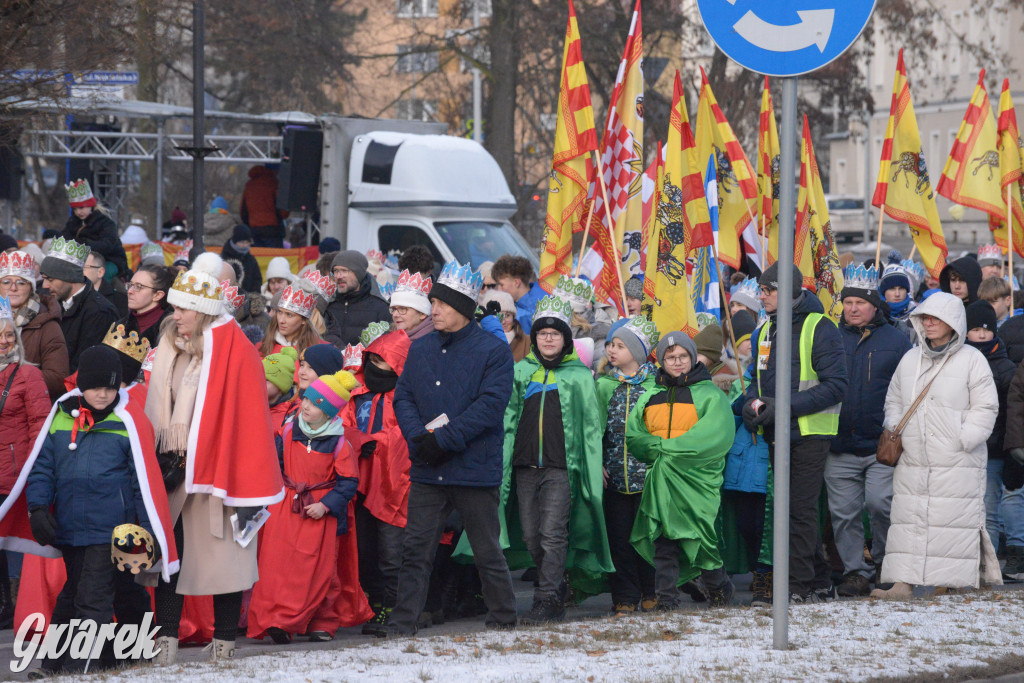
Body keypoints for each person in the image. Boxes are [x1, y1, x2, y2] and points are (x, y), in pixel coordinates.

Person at [145, 252, 284, 664]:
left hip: (218, 472)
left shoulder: (232, 350)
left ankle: (224, 644)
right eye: (174, 308)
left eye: (183, 309)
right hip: (174, 469)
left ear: (203, 311)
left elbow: (246, 418)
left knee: (226, 562)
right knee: (171, 558)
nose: (175, 316)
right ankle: (165, 642)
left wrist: (214, 458)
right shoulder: (170, 347)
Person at [24, 345, 175, 674]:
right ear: (82, 386)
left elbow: (143, 481)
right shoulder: (61, 417)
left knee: (92, 597)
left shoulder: (128, 421)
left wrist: (150, 529)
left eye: (110, 387)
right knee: (85, 593)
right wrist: (37, 507)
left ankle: (79, 667)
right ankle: (122, 653)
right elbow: (42, 468)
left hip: (111, 530)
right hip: (70, 527)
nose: (103, 394)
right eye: (95, 387)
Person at [386, 260, 517, 635]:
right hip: (429, 468)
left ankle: (503, 619)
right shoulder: (421, 348)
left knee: (486, 550)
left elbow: (489, 408)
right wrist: (419, 439)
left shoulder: (493, 351)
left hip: (473, 469)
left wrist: (441, 440)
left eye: (441, 304)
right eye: (433, 302)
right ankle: (402, 624)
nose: (434, 310)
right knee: (415, 551)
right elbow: (404, 397)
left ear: (462, 307)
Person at [872, 292, 1001, 598]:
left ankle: (950, 581)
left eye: (935, 318)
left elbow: (986, 407)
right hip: (913, 457)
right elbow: (894, 399)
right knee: (909, 519)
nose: (928, 323)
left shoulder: (972, 360)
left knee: (951, 520)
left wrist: (964, 438)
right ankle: (903, 583)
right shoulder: (910, 359)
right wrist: (896, 427)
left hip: (957, 459)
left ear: (952, 322)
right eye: (925, 318)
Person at [740, 262, 847, 604]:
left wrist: (782, 406)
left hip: (811, 433)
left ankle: (796, 586)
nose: (762, 296)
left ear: (788, 291)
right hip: (777, 430)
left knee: (798, 510)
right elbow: (756, 383)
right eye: (761, 290)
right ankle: (819, 580)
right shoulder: (764, 331)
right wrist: (748, 405)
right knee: (790, 508)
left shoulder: (821, 326)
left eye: (768, 290)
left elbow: (836, 386)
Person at [501, 295, 610, 624]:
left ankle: (547, 597)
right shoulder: (521, 372)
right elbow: (507, 419)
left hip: (560, 468)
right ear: (535, 337)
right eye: (542, 333)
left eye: (555, 334)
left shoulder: (579, 376)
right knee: (532, 536)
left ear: (566, 339)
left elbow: (591, 427)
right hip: (525, 467)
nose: (548, 339)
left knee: (552, 534)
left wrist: (594, 463)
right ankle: (556, 582)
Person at [247, 370, 365, 643]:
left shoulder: (339, 443)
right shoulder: (289, 430)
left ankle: (321, 621)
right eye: (307, 400)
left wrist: (325, 505)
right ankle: (279, 620)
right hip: (287, 508)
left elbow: (348, 482)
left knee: (320, 570)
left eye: (315, 404)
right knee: (281, 566)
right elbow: (275, 464)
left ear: (329, 412)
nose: (307, 406)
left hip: (319, 513)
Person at [626, 331, 736, 608]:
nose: (677, 362)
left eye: (683, 356)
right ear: (661, 362)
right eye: (670, 357)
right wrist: (660, 450)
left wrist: (663, 449)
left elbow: (713, 437)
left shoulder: (710, 395)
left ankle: (719, 587)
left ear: (693, 357)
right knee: (664, 541)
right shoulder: (650, 395)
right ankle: (666, 600)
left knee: (699, 539)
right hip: (661, 482)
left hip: (696, 483)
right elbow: (635, 435)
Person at [826, 265, 911, 597]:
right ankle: (855, 573)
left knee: (881, 505)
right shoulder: (830, 337)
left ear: (875, 305)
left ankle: (885, 566)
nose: (853, 308)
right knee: (843, 514)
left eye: (860, 302)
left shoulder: (897, 340)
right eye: (848, 302)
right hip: (839, 444)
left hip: (881, 445)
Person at [340, 329, 412, 636]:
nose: (377, 368)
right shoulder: (355, 393)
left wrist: (377, 442)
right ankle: (375, 601)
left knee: (392, 552)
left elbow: (408, 436)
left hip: (395, 485)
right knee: (365, 549)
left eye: (386, 363)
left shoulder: (408, 397)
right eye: (373, 361)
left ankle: (394, 607)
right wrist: (359, 440)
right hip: (358, 482)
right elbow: (342, 426)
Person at [597, 316, 661, 612]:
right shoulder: (603, 385)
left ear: (637, 352)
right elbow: (594, 430)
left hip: (647, 478)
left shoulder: (655, 386)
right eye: (611, 344)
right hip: (614, 478)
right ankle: (624, 595)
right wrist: (597, 462)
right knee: (619, 539)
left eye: (620, 346)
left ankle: (651, 590)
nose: (612, 350)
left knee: (647, 536)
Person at [0, 297, 51, 628]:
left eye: (9, 335)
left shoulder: (27, 374)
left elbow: (40, 426)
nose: (5, 341)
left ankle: (13, 606)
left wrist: (33, 470)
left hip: (13, 475)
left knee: (14, 543)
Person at [963, 300, 1017, 555]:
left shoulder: (1006, 367)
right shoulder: (958, 362)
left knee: (988, 510)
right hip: (962, 447)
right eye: (976, 329)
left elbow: (1010, 413)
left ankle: (989, 565)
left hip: (993, 452)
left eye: (987, 329)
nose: (982, 335)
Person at [39, 237, 119, 372]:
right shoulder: (52, 302)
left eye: (50, 279)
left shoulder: (100, 312)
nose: (45, 285)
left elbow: (85, 366)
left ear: (70, 277)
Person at [0, 250, 68, 401]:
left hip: (26, 406)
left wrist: (12, 380)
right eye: (6, 282)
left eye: (21, 282)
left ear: (31, 287)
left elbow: (58, 378)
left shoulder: (47, 325)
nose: (13, 288)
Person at [60, 179, 128, 278]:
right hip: (83, 261)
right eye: (75, 209)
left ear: (90, 205)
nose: (78, 212)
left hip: (110, 260)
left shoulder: (106, 223)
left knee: (102, 274)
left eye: (81, 207)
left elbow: (107, 245)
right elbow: (64, 238)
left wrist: (83, 245)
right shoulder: (72, 223)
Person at [324, 251, 391, 347]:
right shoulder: (329, 306)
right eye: (335, 271)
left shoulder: (381, 308)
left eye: (344, 271)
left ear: (359, 273)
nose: (338, 276)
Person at [258, 279, 325, 359]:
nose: (281, 320)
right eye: (280, 312)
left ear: (303, 320)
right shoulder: (261, 348)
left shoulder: (321, 351)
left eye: (289, 315)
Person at [491, 255, 545, 334]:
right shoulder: (546, 293)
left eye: (501, 285)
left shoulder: (524, 315)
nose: (499, 290)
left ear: (516, 283)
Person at [124, 263, 174, 348]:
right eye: (130, 285)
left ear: (157, 295)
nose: (130, 291)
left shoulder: (171, 329)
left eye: (139, 286)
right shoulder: (121, 325)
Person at [241, 165, 288, 248]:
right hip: (272, 229)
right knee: (274, 255)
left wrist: (250, 223)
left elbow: (243, 210)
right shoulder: (274, 183)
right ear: (274, 170)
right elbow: (283, 209)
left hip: (254, 228)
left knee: (258, 254)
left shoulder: (249, 185)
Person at [481, 288, 528, 361]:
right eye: (497, 316)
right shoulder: (479, 342)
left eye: (507, 315)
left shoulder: (527, 341)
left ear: (513, 317)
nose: (503, 321)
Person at [879, 251, 917, 341]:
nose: (897, 294)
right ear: (884, 291)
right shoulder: (873, 313)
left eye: (901, 288)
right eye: (892, 289)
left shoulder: (917, 315)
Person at [389, 269, 434, 340]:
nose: (395, 315)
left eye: (402, 309)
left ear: (422, 314)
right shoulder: (387, 336)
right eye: (394, 309)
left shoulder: (433, 342)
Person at [220, 225, 263, 295]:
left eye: (247, 242)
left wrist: (252, 296)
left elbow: (257, 280)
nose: (245, 245)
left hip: (248, 297)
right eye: (242, 242)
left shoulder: (251, 259)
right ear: (235, 241)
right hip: (226, 296)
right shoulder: (224, 258)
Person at [264, 347, 299, 433]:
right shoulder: (250, 404)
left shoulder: (292, 414)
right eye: (258, 377)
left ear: (281, 385)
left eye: (267, 380)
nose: (260, 382)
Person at [84, 251, 128, 318]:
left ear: (100, 272)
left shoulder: (120, 300)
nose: (78, 270)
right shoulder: (71, 296)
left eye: (84, 267)